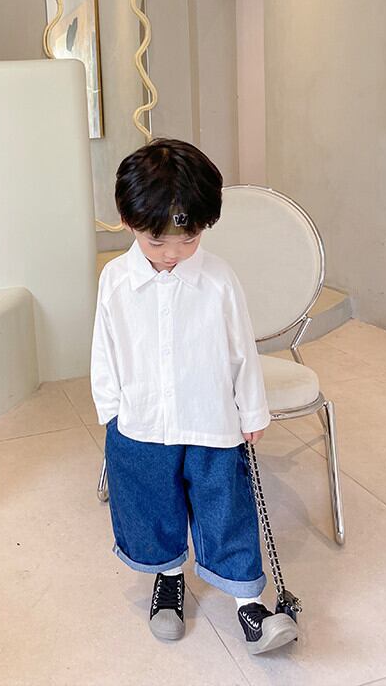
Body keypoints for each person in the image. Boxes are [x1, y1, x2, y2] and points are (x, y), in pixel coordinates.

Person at [90, 138, 298, 654]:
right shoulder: (115, 280)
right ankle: (169, 578)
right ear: (127, 221)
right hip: (141, 424)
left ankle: (250, 605)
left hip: (212, 423)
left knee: (226, 509)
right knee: (152, 508)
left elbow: (241, 350)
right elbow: (105, 348)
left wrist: (252, 409)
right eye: (157, 241)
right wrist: (111, 412)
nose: (172, 253)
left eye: (187, 239)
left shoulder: (219, 280)